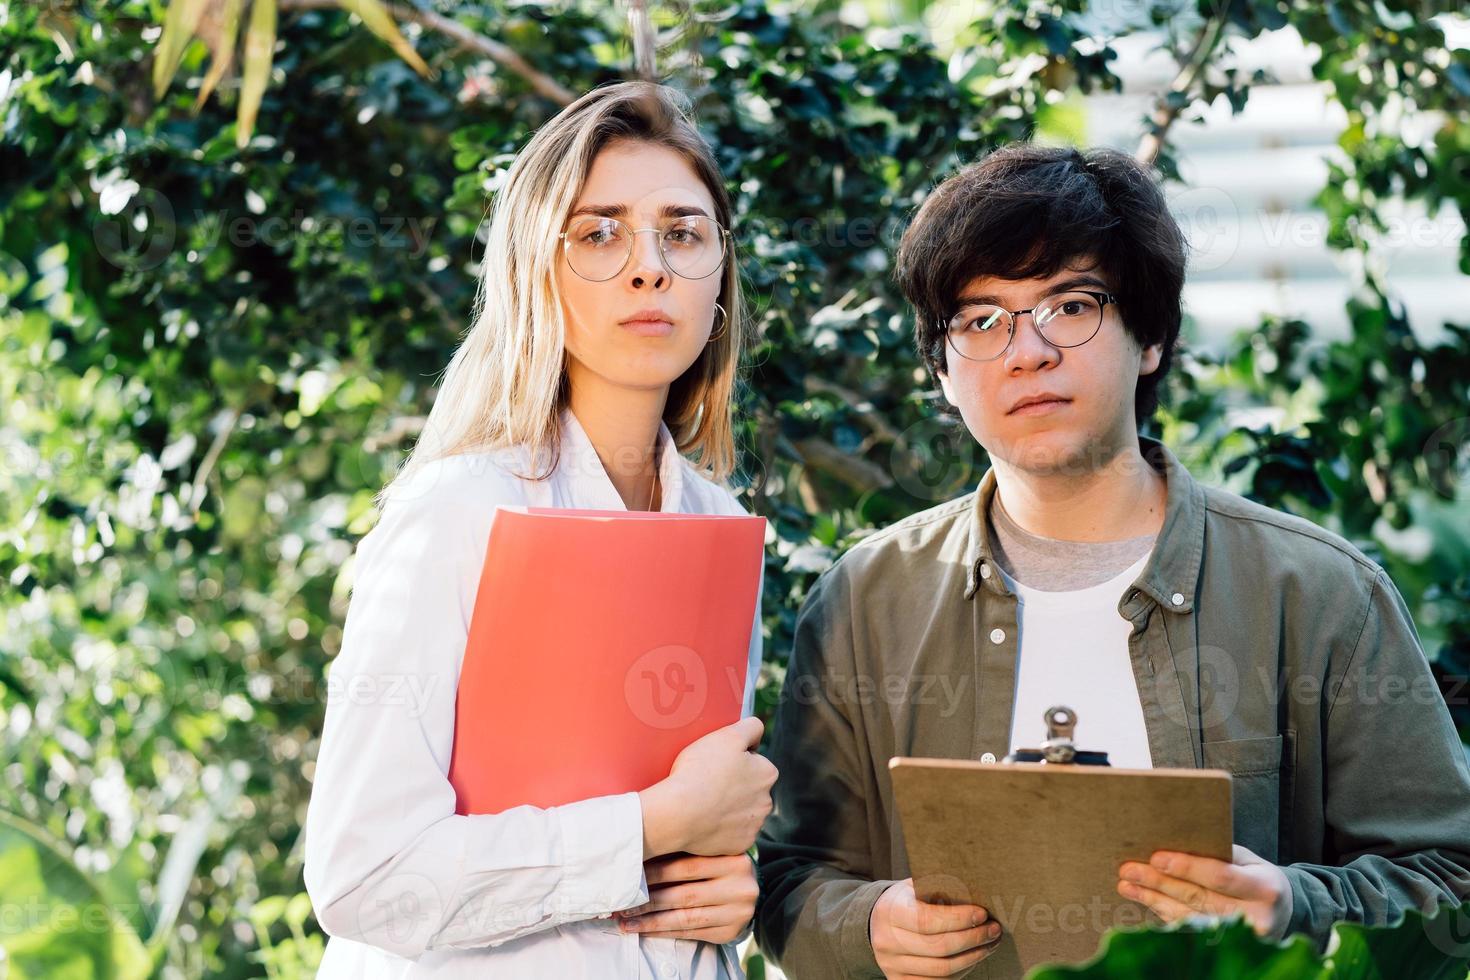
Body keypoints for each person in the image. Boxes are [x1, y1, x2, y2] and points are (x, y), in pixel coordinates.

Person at [753, 142, 1470, 978]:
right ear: (944, 372)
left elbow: (1451, 877)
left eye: (1071, 306)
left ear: (1152, 337)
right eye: (981, 321)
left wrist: (1291, 908)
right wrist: (866, 925)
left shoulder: (1317, 593)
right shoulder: (864, 600)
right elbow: (784, 880)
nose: (1028, 352)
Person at [304, 81, 776, 979]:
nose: (650, 267)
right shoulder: (457, 514)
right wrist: (653, 826)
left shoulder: (719, 527)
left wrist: (723, 900)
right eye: (599, 234)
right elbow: (363, 878)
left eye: (682, 233)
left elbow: (691, 855)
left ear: (719, 274)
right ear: (536, 271)